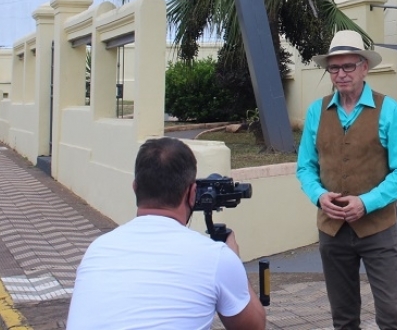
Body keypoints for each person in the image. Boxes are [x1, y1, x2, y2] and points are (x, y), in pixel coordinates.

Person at [66, 137, 265, 330]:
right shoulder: (217, 257)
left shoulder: (97, 249)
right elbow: (254, 327)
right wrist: (234, 260)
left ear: (135, 188)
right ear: (193, 193)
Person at [296, 30, 397, 330]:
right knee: (344, 317)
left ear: (364, 67)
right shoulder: (316, 111)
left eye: (348, 66)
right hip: (332, 230)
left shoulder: (388, 109)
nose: (341, 74)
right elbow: (305, 168)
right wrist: (319, 196)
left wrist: (366, 202)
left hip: (378, 230)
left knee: (391, 316)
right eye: (334, 68)